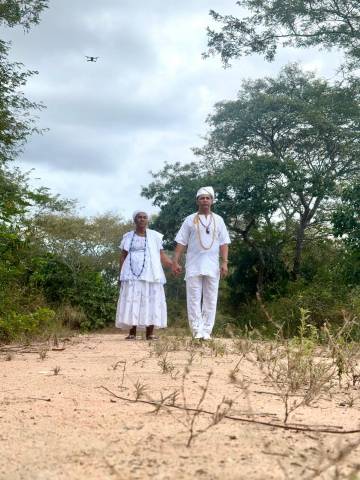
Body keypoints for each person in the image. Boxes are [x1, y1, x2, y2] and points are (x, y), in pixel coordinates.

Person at [172, 187, 231, 340]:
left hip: (212, 265)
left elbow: (224, 243)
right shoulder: (189, 219)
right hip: (193, 264)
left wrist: (224, 262)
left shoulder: (219, 220)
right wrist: (175, 261)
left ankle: (207, 331)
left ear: (212, 200)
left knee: (211, 299)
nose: (205, 200)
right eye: (202, 198)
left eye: (207, 198)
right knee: (193, 298)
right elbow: (181, 242)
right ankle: (197, 330)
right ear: (197, 200)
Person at [115, 210, 172, 340]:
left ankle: (150, 333)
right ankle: (132, 332)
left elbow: (161, 255)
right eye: (139, 217)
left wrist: (172, 264)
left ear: (147, 220)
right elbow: (123, 256)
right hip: (131, 272)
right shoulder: (128, 236)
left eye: (144, 217)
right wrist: (120, 275)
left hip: (151, 272)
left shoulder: (155, 236)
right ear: (134, 220)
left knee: (150, 299)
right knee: (132, 299)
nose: (141, 219)